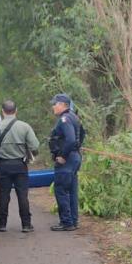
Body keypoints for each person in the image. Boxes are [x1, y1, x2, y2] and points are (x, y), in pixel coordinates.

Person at [0, 100, 39, 233]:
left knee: (4, 194)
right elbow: (35, 146)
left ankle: (2, 224)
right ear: (16, 111)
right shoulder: (25, 127)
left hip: (4, 166)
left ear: (2, 111)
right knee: (22, 195)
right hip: (20, 165)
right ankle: (26, 224)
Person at [48, 93, 83, 231]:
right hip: (74, 157)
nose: (53, 107)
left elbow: (70, 139)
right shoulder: (74, 117)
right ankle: (73, 221)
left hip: (67, 160)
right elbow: (81, 137)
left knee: (61, 189)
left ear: (63, 105)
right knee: (72, 190)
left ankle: (66, 222)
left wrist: (62, 155)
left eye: (55, 104)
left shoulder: (65, 119)